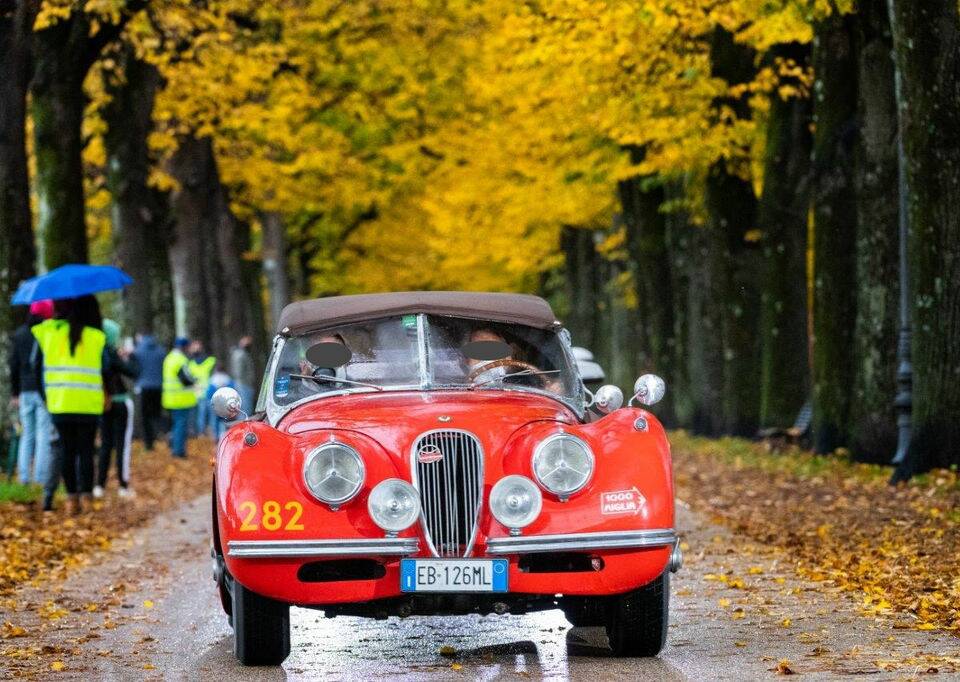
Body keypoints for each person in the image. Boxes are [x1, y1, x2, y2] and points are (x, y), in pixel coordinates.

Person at [31, 295, 107, 514]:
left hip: (60, 404)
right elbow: (106, 367)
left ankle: (71, 500)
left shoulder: (48, 333)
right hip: (88, 405)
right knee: (86, 451)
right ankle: (87, 498)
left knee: (66, 451)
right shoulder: (95, 336)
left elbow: (34, 367)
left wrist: (46, 398)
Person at [9, 300, 54, 485]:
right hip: (43, 389)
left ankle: (24, 478)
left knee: (27, 434)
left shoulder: (19, 334)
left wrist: (15, 393)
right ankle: (41, 478)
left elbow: (13, 365)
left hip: (25, 391)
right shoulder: (48, 333)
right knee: (43, 433)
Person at [94, 319, 140, 499]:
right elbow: (134, 372)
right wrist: (130, 355)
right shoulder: (111, 354)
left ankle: (99, 485)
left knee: (105, 444)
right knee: (122, 445)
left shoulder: (95, 353)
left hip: (104, 404)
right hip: (121, 402)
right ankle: (123, 485)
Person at [162, 337, 196, 458]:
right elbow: (186, 379)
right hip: (180, 399)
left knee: (176, 424)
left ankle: (174, 446)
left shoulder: (169, 357)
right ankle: (178, 451)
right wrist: (195, 380)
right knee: (181, 425)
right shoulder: (180, 359)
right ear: (184, 347)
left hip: (171, 398)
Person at [132, 332, 166, 451]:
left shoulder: (138, 351)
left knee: (145, 416)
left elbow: (134, 369)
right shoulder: (161, 351)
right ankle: (158, 436)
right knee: (156, 414)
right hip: (158, 386)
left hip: (143, 387)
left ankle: (148, 442)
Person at [187, 341, 216, 437]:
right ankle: (207, 433)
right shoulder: (210, 361)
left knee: (202, 415)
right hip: (205, 392)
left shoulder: (190, 364)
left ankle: (202, 433)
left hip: (202, 393)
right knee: (207, 415)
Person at [206, 365, 234, 441]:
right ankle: (223, 435)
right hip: (225, 403)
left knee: (214, 420)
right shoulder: (227, 379)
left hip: (214, 403)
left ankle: (215, 437)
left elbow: (208, 393)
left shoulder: (213, 379)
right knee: (224, 419)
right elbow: (232, 390)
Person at [229, 335, 256, 413]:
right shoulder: (240, 354)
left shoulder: (243, 353)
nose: (248, 343)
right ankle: (244, 423)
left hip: (244, 384)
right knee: (245, 408)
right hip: (243, 384)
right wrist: (245, 381)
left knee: (246, 407)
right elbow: (238, 372)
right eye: (247, 341)